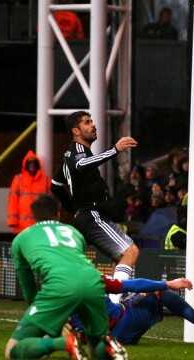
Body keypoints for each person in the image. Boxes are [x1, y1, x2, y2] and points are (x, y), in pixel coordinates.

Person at [4, 195, 125, 360]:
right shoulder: (74, 233)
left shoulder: (21, 239)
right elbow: (75, 269)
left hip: (60, 286)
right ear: (58, 213)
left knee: (12, 351)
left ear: (33, 216)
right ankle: (108, 342)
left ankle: (63, 343)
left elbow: (28, 286)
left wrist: (43, 320)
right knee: (95, 342)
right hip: (93, 282)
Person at [51, 111, 139, 303]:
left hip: (87, 215)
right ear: (76, 131)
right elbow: (82, 164)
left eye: (92, 121)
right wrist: (115, 149)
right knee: (131, 252)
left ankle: (115, 299)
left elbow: (55, 185)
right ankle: (114, 304)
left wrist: (72, 208)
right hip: (91, 215)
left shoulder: (69, 155)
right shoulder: (77, 153)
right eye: (87, 122)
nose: (93, 125)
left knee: (121, 259)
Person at [71, 275, 194, 345]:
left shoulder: (53, 293)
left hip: (104, 338)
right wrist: (168, 283)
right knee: (159, 292)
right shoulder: (89, 278)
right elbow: (132, 284)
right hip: (124, 323)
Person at [7, 150, 51, 233]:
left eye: (34, 163)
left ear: (37, 164)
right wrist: (12, 221)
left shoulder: (45, 180)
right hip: (22, 225)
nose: (32, 165)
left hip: (40, 224)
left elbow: (51, 202)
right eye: (29, 163)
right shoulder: (18, 179)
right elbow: (12, 201)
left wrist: (51, 220)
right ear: (25, 165)